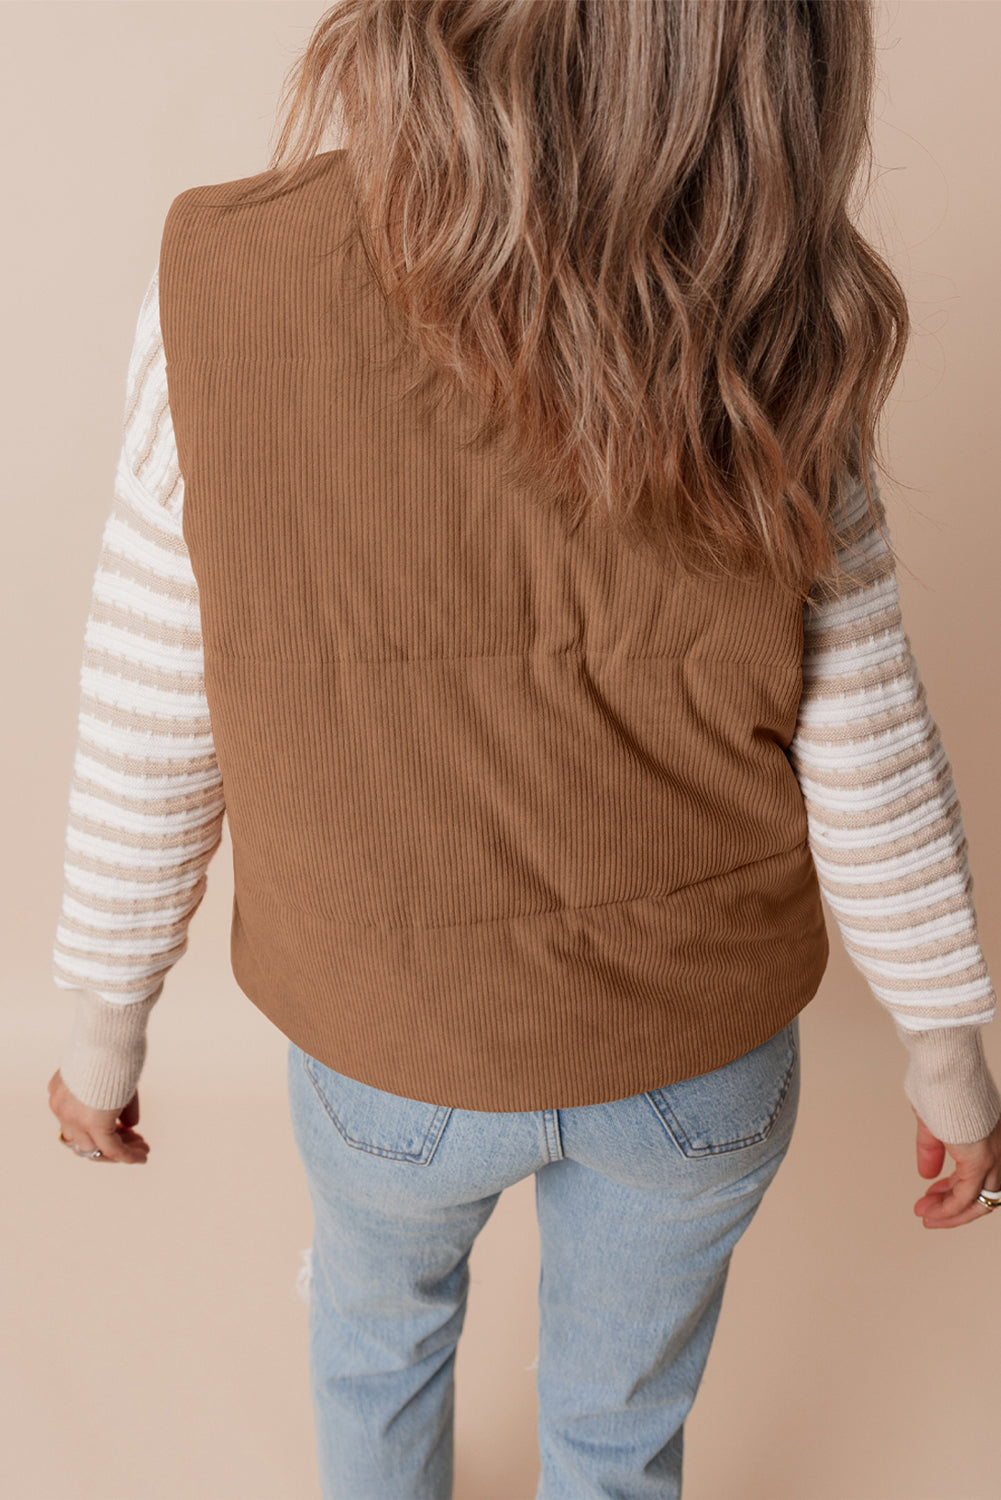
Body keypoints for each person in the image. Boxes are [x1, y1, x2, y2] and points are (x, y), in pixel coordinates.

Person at [47, 2, 1001, 1496]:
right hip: (697, 1073)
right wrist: (948, 1063)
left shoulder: (225, 277)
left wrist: (106, 1028)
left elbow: (151, 713)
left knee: (373, 1349)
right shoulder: (785, 318)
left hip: (390, 1057)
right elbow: (871, 749)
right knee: (620, 1427)